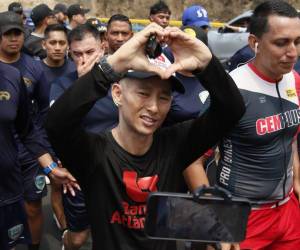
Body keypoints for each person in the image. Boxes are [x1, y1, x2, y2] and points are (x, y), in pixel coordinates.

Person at [45, 22, 245, 250]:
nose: (153, 107)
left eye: (164, 97)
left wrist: (206, 63)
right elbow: (56, 123)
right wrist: (111, 66)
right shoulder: (94, 153)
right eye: (143, 93)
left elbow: (232, 109)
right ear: (118, 94)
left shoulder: (175, 145)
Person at [199, 1, 300, 249]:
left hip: (287, 212)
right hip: (242, 219)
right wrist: (215, 219)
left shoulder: (295, 80)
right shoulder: (231, 90)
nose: (293, 52)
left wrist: (297, 180)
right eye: (281, 43)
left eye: (297, 41)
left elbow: (290, 137)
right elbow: (191, 159)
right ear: (255, 43)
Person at [0, 11, 76, 250]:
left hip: (24, 156)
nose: (14, 39)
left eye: (18, 34)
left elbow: (33, 123)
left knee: (30, 208)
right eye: (7, 34)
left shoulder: (18, 74)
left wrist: (50, 164)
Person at [50, 23, 108, 250]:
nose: (84, 59)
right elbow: (58, 127)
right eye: (77, 54)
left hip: (113, 170)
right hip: (79, 174)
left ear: (102, 49)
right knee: (78, 238)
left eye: (90, 52)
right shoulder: (62, 85)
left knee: (112, 233)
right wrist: (84, 86)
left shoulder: (120, 82)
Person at [40, 23, 76, 233]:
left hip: (73, 139)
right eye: (52, 42)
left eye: (62, 42)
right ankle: (64, 230)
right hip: (47, 141)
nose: (57, 47)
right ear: (44, 44)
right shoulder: (35, 71)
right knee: (56, 184)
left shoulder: (76, 69)